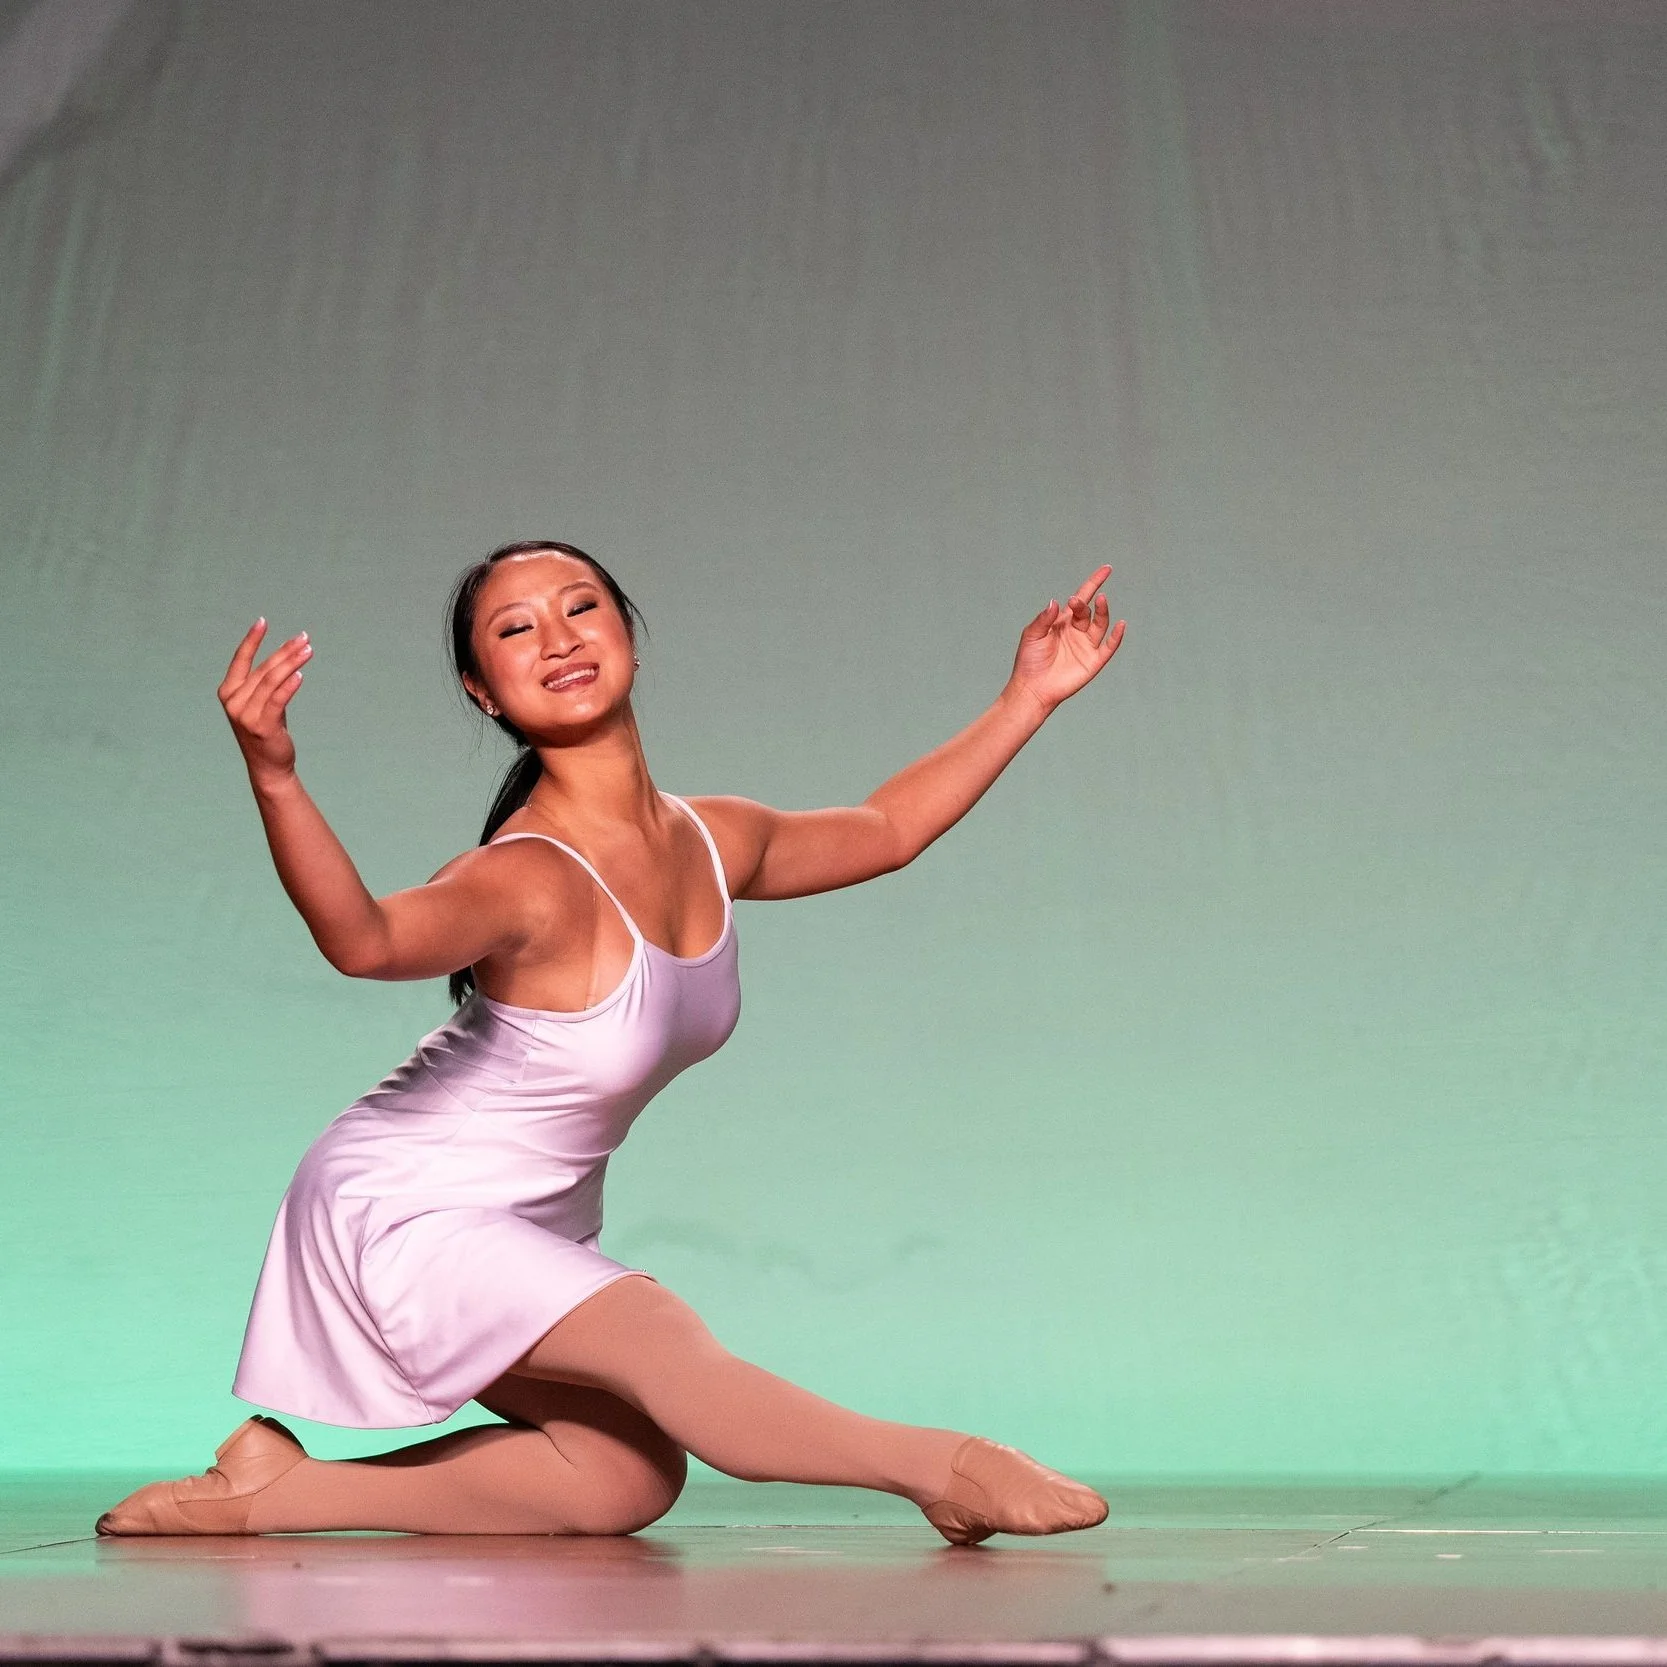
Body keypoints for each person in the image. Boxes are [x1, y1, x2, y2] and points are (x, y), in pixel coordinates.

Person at [97, 539, 1126, 1543]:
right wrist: (275, 776)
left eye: (579, 605)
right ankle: (946, 1467)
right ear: (480, 690)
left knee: (620, 1476)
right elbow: (364, 940)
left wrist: (1026, 696)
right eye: (515, 627)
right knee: (673, 1355)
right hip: (406, 1206)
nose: (556, 636)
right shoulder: (526, 877)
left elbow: (886, 826)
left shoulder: (708, 837)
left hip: (527, 1219)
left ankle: (272, 1492)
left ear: (627, 631)